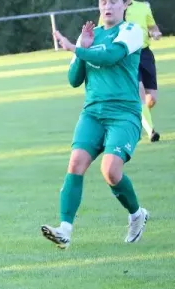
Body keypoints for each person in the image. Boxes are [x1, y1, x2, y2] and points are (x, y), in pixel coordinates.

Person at [42, 0, 149, 249]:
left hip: (124, 113)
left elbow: (111, 56)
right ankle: (65, 230)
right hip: (93, 113)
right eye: (103, 1)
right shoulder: (90, 35)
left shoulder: (131, 31)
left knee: (110, 171)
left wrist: (76, 49)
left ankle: (136, 215)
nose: (107, 5)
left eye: (113, 1)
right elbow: (73, 80)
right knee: (76, 163)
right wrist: (82, 47)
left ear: (125, 4)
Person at [99, 0, 162, 141]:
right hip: (126, 55)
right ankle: (151, 131)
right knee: (138, 90)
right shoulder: (112, 7)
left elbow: (151, 25)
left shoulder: (143, 7)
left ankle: (133, 116)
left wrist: (155, 32)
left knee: (151, 99)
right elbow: (102, 30)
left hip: (145, 54)